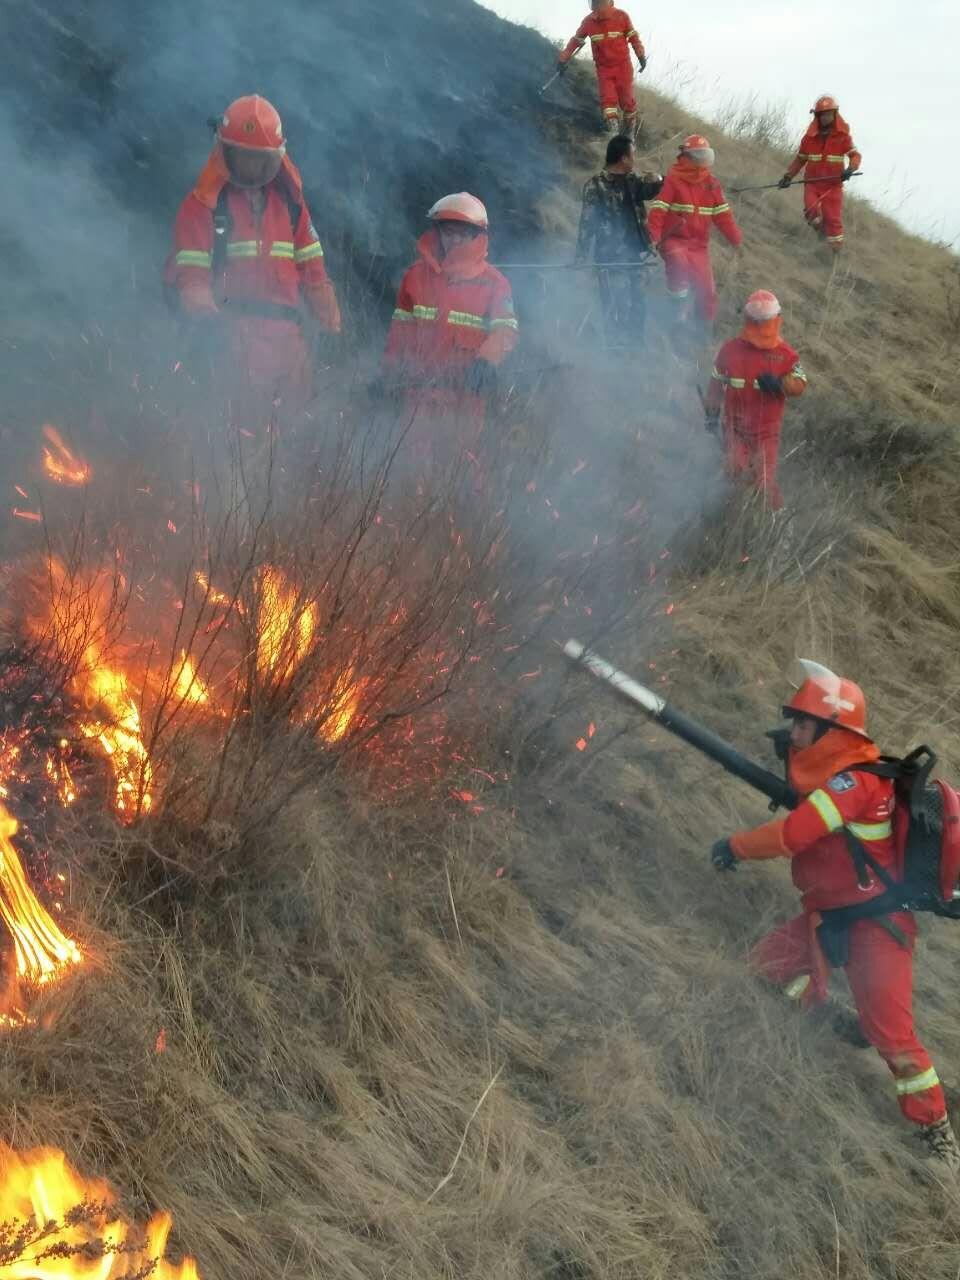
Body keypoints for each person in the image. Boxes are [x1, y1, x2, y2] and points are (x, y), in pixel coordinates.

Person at [711, 661, 960, 1172]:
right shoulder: (841, 779)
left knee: (894, 1038)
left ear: (833, 731)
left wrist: (732, 847)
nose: (795, 733)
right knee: (762, 967)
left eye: (804, 724)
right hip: (830, 919)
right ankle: (823, 1016)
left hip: (876, 928)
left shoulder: (854, 785)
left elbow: (791, 837)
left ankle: (937, 1131)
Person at [165, 95, 341, 422]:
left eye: (260, 161)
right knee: (234, 441)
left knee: (290, 441)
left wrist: (331, 328)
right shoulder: (202, 207)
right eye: (244, 159)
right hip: (232, 339)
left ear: (276, 158)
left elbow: (315, 275)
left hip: (290, 345)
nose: (252, 170)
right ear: (225, 153)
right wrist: (208, 327)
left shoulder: (291, 206)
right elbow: (191, 279)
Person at [379, 193, 518, 472]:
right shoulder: (415, 276)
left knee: (460, 473)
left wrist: (486, 362)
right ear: (437, 232)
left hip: (465, 398)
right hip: (418, 396)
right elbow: (400, 332)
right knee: (412, 473)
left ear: (477, 236)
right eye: (447, 232)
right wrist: (388, 374)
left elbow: (506, 330)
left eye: (461, 233)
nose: (452, 240)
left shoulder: (494, 283)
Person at [704, 290, 806, 510]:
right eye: (757, 321)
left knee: (764, 480)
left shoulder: (786, 355)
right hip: (735, 427)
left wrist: (780, 384)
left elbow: (800, 382)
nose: (761, 326)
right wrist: (711, 415)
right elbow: (715, 385)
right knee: (734, 469)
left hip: (766, 431)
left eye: (764, 320)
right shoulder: (730, 351)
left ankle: (774, 523)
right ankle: (729, 514)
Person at [646, 135, 741, 334]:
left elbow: (724, 215)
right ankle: (676, 316)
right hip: (672, 240)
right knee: (679, 269)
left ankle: (702, 329)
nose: (704, 159)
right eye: (700, 154)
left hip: (699, 246)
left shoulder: (712, 184)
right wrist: (653, 237)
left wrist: (736, 240)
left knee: (707, 291)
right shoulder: (673, 180)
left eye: (706, 154)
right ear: (688, 156)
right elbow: (658, 211)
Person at [575, 135, 662, 348]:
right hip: (611, 258)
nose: (635, 159)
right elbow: (587, 223)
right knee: (616, 305)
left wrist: (659, 179)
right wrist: (581, 257)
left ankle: (636, 349)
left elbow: (653, 190)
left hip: (636, 256)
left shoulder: (634, 182)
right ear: (623, 158)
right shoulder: (596, 185)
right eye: (633, 154)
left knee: (639, 303)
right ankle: (615, 351)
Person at [778, 96, 862, 252]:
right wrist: (788, 176)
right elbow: (800, 160)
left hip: (833, 186)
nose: (826, 117)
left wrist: (850, 169)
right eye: (822, 114)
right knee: (811, 211)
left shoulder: (843, 137)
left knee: (833, 220)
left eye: (829, 114)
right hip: (812, 184)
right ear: (817, 116)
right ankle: (821, 234)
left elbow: (855, 156)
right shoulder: (808, 139)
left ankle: (835, 254)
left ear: (835, 115)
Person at [557, 0, 647, 137]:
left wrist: (640, 55)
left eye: (598, 2)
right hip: (604, 68)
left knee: (627, 101)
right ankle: (614, 136)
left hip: (623, 66)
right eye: (594, 2)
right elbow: (576, 40)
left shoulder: (621, 16)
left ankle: (629, 136)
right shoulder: (588, 21)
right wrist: (563, 59)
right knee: (608, 101)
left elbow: (633, 37)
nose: (596, 5)